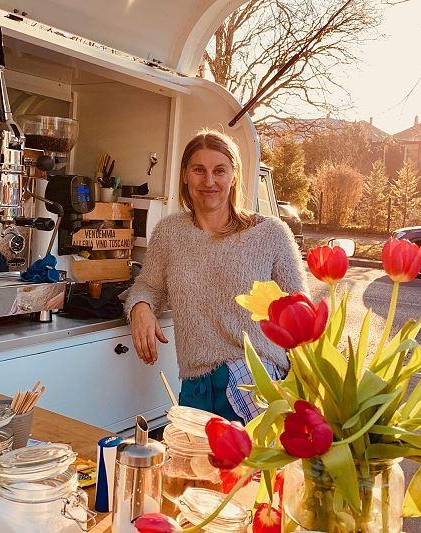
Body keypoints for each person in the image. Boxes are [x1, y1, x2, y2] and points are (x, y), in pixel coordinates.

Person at [122, 129, 308, 423]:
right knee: (189, 469)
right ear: (185, 175)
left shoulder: (271, 234)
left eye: (219, 170)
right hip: (196, 389)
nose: (209, 181)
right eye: (199, 170)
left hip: (257, 383)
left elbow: (301, 315)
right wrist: (140, 308)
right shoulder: (170, 233)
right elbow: (148, 286)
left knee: (254, 471)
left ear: (234, 175)